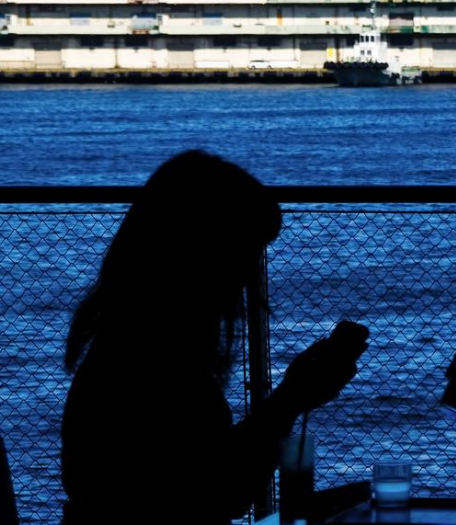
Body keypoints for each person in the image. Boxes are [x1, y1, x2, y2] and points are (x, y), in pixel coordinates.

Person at [60, 150, 366, 524]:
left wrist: (290, 398)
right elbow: (217, 491)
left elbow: (206, 474)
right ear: (201, 252)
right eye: (242, 253)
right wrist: (289, 401)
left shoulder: (129, 347)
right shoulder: (155, 361)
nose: (248, 276)